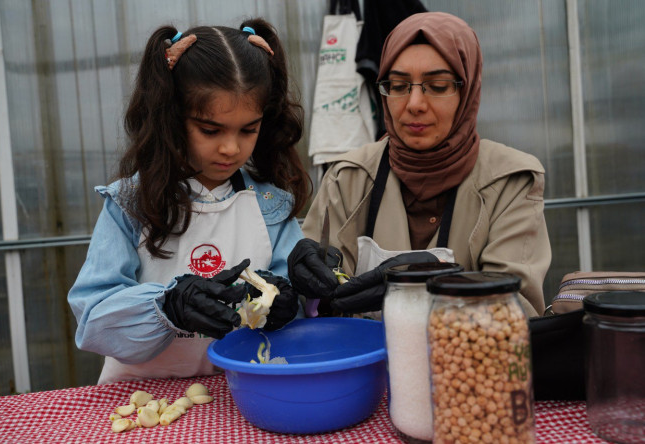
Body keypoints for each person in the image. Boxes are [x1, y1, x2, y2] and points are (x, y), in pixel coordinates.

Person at [68, 18, 311, 384]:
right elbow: (93, 320)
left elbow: (298, 309)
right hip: (139, 400)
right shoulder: (131, 204)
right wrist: (167, 305)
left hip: (239, 398)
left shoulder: (270, 206)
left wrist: (287, 306)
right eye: (210, 130)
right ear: (171, 119)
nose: (231, 148)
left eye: (249, 129)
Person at [288, 12, 550, 318]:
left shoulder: (510, 181)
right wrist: (301, 284)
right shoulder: (348, 178)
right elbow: (314, 308)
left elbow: (519, 312)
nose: (414, 104)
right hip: (364, 363)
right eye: (398, 86)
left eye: (437, 86)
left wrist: (433, 285)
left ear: (467, 90)